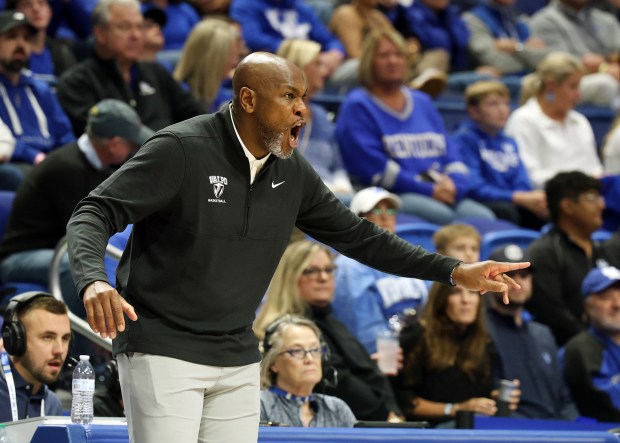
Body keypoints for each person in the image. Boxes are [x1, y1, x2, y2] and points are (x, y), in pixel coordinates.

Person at [65, 51, 529, 443]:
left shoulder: (293, 171)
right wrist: (92, 281)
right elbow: (93, 211)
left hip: (236, 352)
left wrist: (454, 270)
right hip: (163, 346)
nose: (303, 109)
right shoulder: (181, 149)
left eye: (304, 97)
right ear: (248, 100)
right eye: (289, 96)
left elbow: (360, 236)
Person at [0, 99, 152, 315]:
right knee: (80, 264)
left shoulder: (98, 165)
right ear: (114, 143)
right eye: (131, 144)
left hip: (56, 249)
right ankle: (85, 340)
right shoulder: (65, 168)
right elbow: (80, 234)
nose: (132, 151)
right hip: (22, 257)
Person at [335, 28, 496, 225]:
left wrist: (456, 184)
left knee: (484, 218)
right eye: (384, 55)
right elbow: (373, 167)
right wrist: (429, 190)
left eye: (398, 55)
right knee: (444, 218)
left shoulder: (422, 101)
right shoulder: (358, 105)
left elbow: (450, 152)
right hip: (393, 194)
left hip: (440, 189)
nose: (393, 61)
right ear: (370, 61)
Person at [255, 240, 404, 422]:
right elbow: (339, 381)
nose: (324, 278)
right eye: (311, 271)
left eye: (328, 270)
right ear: (290, 277)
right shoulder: (287, 328)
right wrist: (386, 414)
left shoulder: (330, 320)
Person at [56, 0, 207, 137]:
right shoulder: (77, 83)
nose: (135, 35)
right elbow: (105, 141)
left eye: (140, 27)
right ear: (100, 34)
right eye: (125, 27)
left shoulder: (156, 72)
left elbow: (197, 114)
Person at [393, 282, 518, 426]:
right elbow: (405, 403)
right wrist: (456, 409)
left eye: (472, 293)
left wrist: (496, 399)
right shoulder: (418, 335)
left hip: (473, 428)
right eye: (456, 292)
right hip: (429, 430)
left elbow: (483, 396)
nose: (465, 300)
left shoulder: (485, 342)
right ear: (441, 300)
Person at [487, 244, 579, 420]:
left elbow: (563, 397)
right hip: (512, 430)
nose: (519, 281)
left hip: (557, 429)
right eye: (510, 275)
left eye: (524, 275)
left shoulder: (543, 333)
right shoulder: (481, 331)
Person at [332, 187, 428, 353]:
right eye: (375, 210)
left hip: (424, 350)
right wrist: (390, 360)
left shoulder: (411, 258)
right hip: (387, 359)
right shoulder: (349, 266)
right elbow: (365, 331)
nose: (385, 216)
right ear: (357, 219)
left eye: (390, 210)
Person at [526, 171, 611, 346]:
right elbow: (552, 315)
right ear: (567, 206)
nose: (601, 205)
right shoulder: (545, 252)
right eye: (591, 198)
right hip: (571, 350)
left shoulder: (602, 250)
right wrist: (598, 344)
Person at [453, 80, 548, 228]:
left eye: (505, 103)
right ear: (474, 112)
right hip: (483, 200)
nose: (503, 110)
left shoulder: (510, 141)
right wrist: (517, 197)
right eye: (493, 104)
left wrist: (528, 198)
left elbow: (521, 179)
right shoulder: (465, 139)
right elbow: (473, 186)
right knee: (509, 212)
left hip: (511, 199)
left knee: (546, 210)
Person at [505, 52, 604, 190]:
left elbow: (595, 168)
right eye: (573, 86)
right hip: (550, 199)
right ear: (550, 86)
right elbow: (530, 177)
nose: (578, 95)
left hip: (589, 196)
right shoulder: (523, 120)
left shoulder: (580, 121)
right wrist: (579, 183)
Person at [0, 10, 74, 187]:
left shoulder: (41, 89)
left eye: (26, 38)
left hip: (49, 162)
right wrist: (33, 155)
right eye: (12, 37)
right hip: (16, 163)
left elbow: (64, 134)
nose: (21, 44)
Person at [276, 38, 354, 204]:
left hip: (333, 196)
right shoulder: (274, 116)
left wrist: (343, 185)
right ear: (298, 69)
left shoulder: (321, 116)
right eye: (317, 64)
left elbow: (337, 165)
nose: (325, 72)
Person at [229, 0, 356, 93]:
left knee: (356, 67)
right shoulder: (246, 4)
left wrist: (335, 53)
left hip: (317, 65)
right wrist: (299, 51)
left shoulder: (299, 7)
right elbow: (253, 39)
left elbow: (329, 39)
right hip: (277, 69)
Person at [259, 314, 357, 427]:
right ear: (273, 363)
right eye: (297, 351)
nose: (309, 359)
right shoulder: (259, 406)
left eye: (315, 349)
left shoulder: (337, 409)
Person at [530, 0, 620, 108]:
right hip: (571, 82)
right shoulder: (544, 21)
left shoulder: (606, 20)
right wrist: (603, 67)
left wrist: (607, 63)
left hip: (612, 74)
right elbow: (559, 65)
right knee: (605, 84)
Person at [0, 291, 71, 421]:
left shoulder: (52, 405)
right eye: (47, 337)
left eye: (65, 338)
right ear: (15, 340)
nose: (59, 350)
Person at [562, 265, 620, 421]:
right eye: (607, 297)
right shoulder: (581, 349)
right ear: (588, 306)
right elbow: (607, 404)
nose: (617, 304)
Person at [462, 0, 549, 98]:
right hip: (497, 91)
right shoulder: (472, 19)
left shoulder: (519, 18)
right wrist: (528, 54)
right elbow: (497, 63)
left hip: (532, 87)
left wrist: (516, 47)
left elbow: (544, 59)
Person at [173, 17, 244, 112]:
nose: (235, 62)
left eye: (237, 56)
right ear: (213, 59)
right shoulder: (178, 98)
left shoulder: (219, 93)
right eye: (231, 55)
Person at [7, 0, 76, 85]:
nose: (36, 9)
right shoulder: (9, 56)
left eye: (41, 3)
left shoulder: (63, 53)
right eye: (27, 4)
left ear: (50, 11)